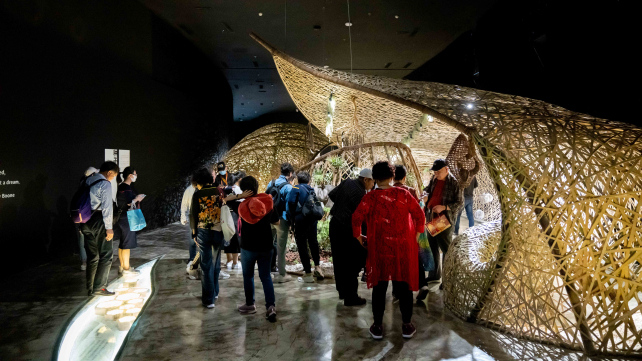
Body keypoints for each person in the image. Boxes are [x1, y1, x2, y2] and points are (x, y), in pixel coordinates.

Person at [352, 161, 426, 340]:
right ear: (392, 176)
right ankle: (407, 325)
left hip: (379, 249)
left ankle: (377, 326)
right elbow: (420, 216)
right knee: (404, 287)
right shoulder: (404, 194)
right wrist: (415, 237)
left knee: (379, 286)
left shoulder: (370, 197)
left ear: (375, 178)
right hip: (402, 249)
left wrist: (360, 238)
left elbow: (356, 219)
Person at [189, 168, 251, 308]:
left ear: (198, 181)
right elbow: (230, 200)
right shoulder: (219, 191)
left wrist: (194, 233)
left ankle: (209, 299)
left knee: (206, 265)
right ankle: (215, 292)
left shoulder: (198, 194)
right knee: (216, 262)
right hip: (218, 231)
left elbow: (193, 214)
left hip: (204, 231)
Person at [328, 168, 374, 305]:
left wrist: (341, 206)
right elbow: (362, 218)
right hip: (347, 230)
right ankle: (351, 297)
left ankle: (342, 292)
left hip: (335, 225)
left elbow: (332, 195)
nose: (372, 185)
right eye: (372, 182)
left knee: (339, 261)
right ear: (365, 179)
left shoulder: (346, 182)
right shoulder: (361, 194)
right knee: (351, 263)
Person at [236, 176, 278, 321]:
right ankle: (271, 307)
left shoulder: (240, 205)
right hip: (266, 245)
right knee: (266, 276)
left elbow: (222, 200)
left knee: (248, 276)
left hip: (248, 247)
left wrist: (240, 197)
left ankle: (250, 305)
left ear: (243, 189)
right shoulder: (267, 201)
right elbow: (277, 221)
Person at [421, 159, 462, 293]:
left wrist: (444, 207)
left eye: (438, 171)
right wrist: (425, 194)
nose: (436, 174)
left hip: (443, 219)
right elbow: (428, 189)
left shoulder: (454, 183)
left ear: (446, 169)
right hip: (432, 216)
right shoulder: (435, 179)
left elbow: (460, 203)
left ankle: (447, 279)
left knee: (446, 250)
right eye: (435, 171)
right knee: (432, 246)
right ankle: (434, 275)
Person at [80, 161, 120, 296]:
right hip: (98, 220)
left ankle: (90, 287)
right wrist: (109, 228)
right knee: (106, 255)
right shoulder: (104, 184)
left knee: (92, 256)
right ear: (109, 173)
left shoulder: (87, 180)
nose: (112, 178)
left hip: (85, 220)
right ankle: (99, 287)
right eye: (113, 175)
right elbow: (107, 208)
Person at [392, 165, 427, 303]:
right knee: (415, 257)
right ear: (405, 177)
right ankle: (422, 284)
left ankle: (397, 292)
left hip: (393, 232)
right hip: (410, 231)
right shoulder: (410, 191)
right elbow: (418, 212)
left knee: (396, 260)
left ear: (392, 177)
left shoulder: (388, 191)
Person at [287, 171, 324, 282]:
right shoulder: (310, 189)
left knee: (302, 244)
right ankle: (317, 267)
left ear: (298, 180)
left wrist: (291, 218)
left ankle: (308, 273)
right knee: (313, 242)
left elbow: (291, 202)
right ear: (309, 180)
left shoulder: (296, 188)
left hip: (300, 219)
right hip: (312, 219)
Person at [266, 163, 295, 283]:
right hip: (282, 219)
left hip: (270, 218)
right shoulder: (288, 187)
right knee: (281, 247)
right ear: (290, 174)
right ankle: (282, 274)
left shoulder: (271, 183)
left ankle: (266, 271)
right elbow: (289, 206)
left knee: (268, 245)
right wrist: (291, 222)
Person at [114, 167, 145, 276]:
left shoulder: (121, 186)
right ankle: (126, 269)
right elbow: (128, 203)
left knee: (123, 242)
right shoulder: (126, 187)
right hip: (127, 217)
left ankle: (123, 267)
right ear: (130, 175)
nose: (136, 176)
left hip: (122, 217)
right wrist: (138, 199)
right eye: (135, 174)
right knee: (126, 243)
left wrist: (135, 198)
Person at [76, 166, 98, 271]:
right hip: (91, 216)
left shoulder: (82, 186)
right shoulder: (93, 186)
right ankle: (91, 261)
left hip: (82, 217)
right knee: (92, 240)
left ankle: (84, 262)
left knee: (82, 239)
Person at [225, 171, 246, 270]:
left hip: (226, 216)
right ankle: (235, 262)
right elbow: (243, 202)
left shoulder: (226, 188)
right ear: (240, 179)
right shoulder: (237, 189)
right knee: (236, 238)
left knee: (227, 237)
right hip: (235, 216)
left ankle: (228, 260)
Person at [180, 179, 197, 266]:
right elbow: (184, 204)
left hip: (202, 215)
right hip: (193, 216)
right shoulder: (189, 190)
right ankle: (192, 258)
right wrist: (184, 216)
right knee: (192, 239)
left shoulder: (201, 189)